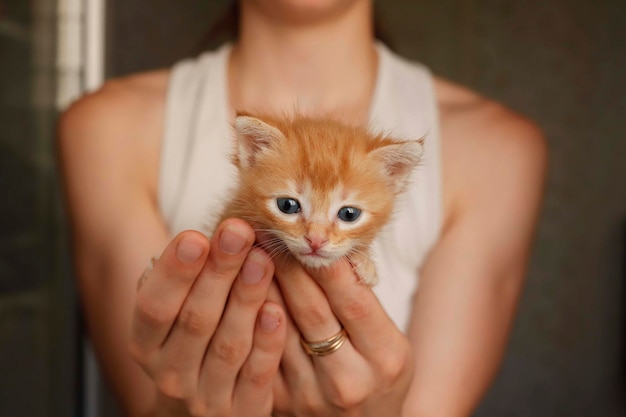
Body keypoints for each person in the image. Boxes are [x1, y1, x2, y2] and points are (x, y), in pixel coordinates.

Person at [57, 0, 547, 416]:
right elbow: (151, 395)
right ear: (249, 156)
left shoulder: (499, 149)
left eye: (346, 216)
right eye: (292, 206)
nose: (316, 236)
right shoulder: (105, 128)